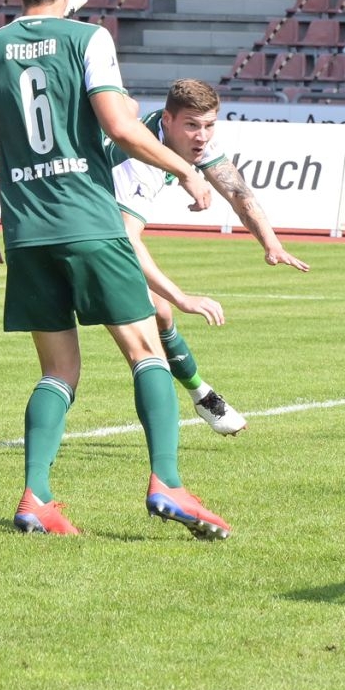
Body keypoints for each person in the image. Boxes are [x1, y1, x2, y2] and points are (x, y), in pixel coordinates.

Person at [0, 0, 232, 539]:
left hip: (26, 232)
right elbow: (121, 127)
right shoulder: (88, 39)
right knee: (145, 351)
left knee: (58, 371)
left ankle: (35, 498)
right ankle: (167, 484)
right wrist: (185, 170)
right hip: (89, 221)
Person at [110, 79, 312, 437]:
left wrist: (271, 243)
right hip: (84, 232)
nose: (202, 136)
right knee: (146, 338)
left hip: (98, 229)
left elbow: (237, 192)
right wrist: (183, 297)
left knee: (159, 314)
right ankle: (172, 449)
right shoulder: (138, 162)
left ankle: (202, 397)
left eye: (209, 125)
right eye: (192, 125)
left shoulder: (188, 142)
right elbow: (126, 239)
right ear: (168, 120)